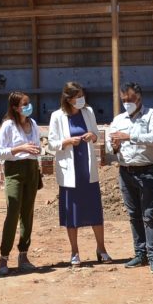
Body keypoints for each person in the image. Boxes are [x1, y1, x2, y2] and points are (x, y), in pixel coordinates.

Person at [48, 82, 111, 266]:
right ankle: (74, 251)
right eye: (78, 96)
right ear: (69, 99)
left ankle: (101, 248)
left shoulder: (88, 112)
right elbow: (52, 143)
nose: (82, 99)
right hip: (70, 171)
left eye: (82, 95)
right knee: (72, 214)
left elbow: (96, 133)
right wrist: (67, 141)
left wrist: (93, 136)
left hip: (87, 169)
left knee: (95, 211)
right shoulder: (57, 116)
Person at [106, 81, 153, 273]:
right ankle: (140, 254)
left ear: (138, 98)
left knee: (148, 214)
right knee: (133, 215)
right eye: (124, 100)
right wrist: (114, 146)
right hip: (126, 171)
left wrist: (129, 136)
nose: (127, 103)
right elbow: (110, 146)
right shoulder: (118, 119)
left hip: (147, 170)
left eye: (130, 99)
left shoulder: (152, 115)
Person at [0, 91, 42, 275]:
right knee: (13, 211)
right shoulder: (8, 126)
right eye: (24, 104)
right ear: (15, 107)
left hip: (31, 168)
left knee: (27, 213)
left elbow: (37, 145)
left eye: (28, 103)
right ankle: (4, 256)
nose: (28, 106)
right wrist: (20, 148)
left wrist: (37, 150)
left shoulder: (34, 124)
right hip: (14, 171)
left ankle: (23, 254)